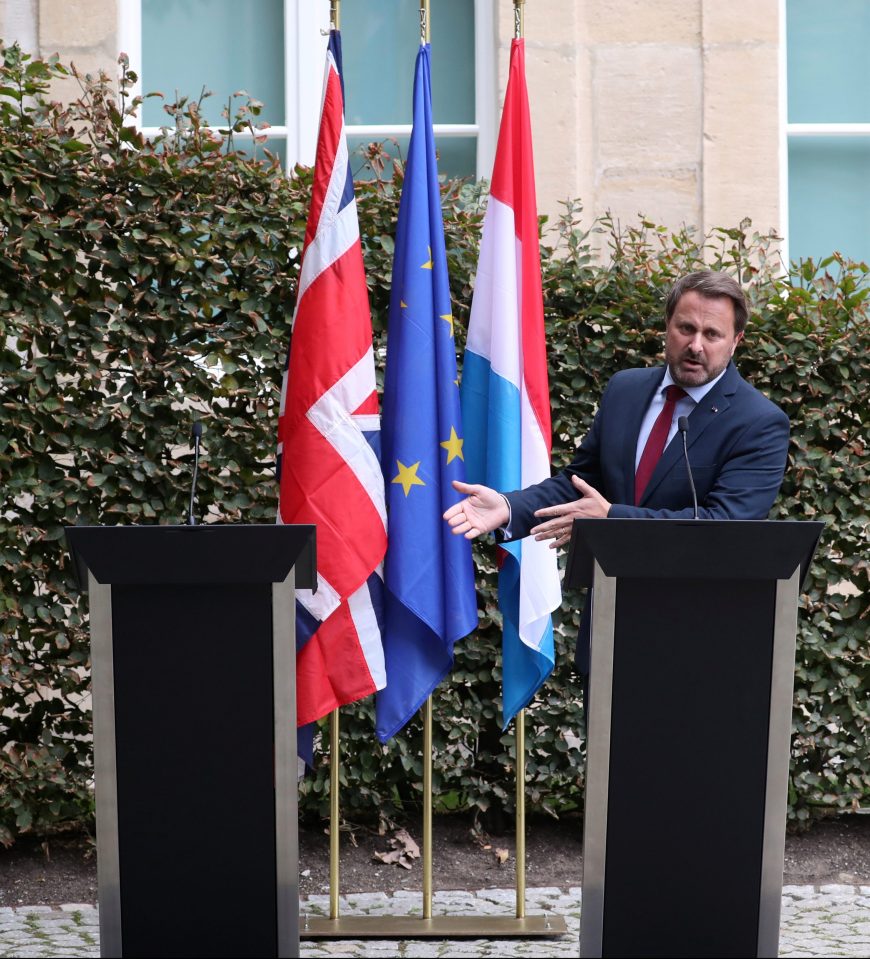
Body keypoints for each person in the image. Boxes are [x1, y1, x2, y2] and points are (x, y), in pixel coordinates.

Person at [443, 269, 790, 671]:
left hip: (698, 645)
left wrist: (612, 520)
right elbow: (581, 484)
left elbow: (724, 528)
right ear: (667, 327)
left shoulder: (759, 422)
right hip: (609, 630)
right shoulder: (625, 390)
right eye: (686, 328)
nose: (696, 345)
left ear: (735, 343)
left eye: (712, 335)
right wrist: (508, 507)